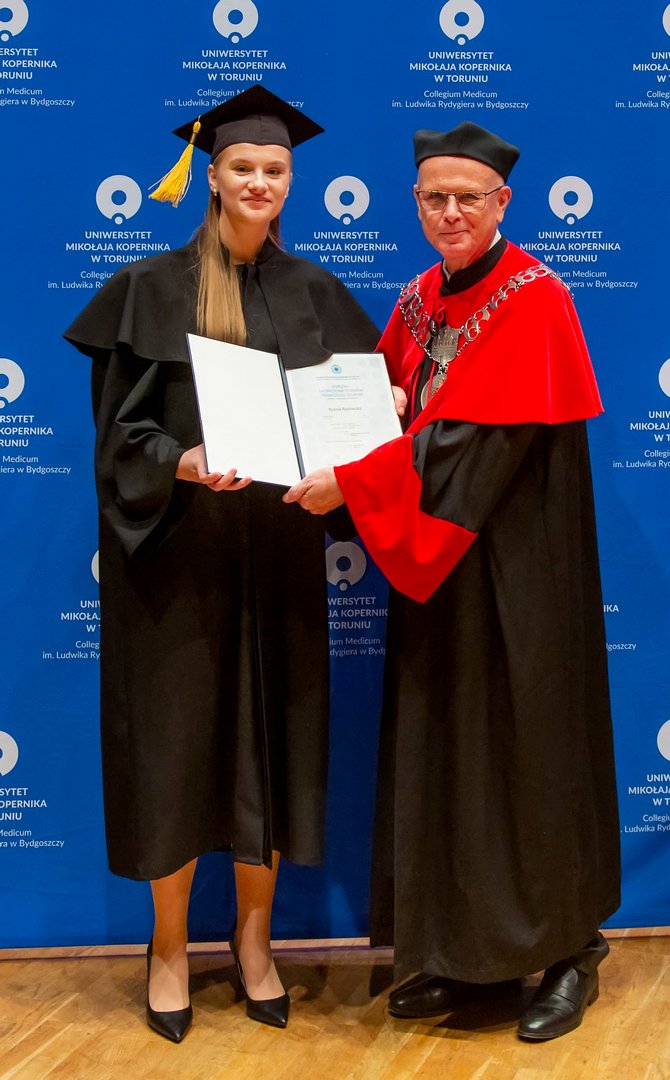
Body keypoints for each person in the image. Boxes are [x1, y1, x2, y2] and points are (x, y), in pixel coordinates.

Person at [284, 120, 621, 1042]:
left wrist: (356, 480)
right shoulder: (418, 299)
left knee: (528, 755)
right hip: (438, 577)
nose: (451, 212)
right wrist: (367, 422)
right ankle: (470, 955)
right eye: (435, 197)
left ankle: (568, 950)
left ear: (502, 202)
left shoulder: (535, 299)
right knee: (449, 754)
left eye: (469, 198)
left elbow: (472, 446)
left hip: (518, 575)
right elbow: (381, 410)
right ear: (417, 202)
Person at [64, 86, 379, 1043]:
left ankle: (254, 941)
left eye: (275, 169)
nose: (259, 182)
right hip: (174, 563)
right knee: (174, 751)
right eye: (243, 167)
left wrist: (351, 461)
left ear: (291, 180)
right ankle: (168, 946)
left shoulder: (317, 294)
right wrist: (182, 461)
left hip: (278, 559)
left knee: (270, 747)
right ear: (212, 176)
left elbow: (357, 429)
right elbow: (118, 440)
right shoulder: (149, 289)